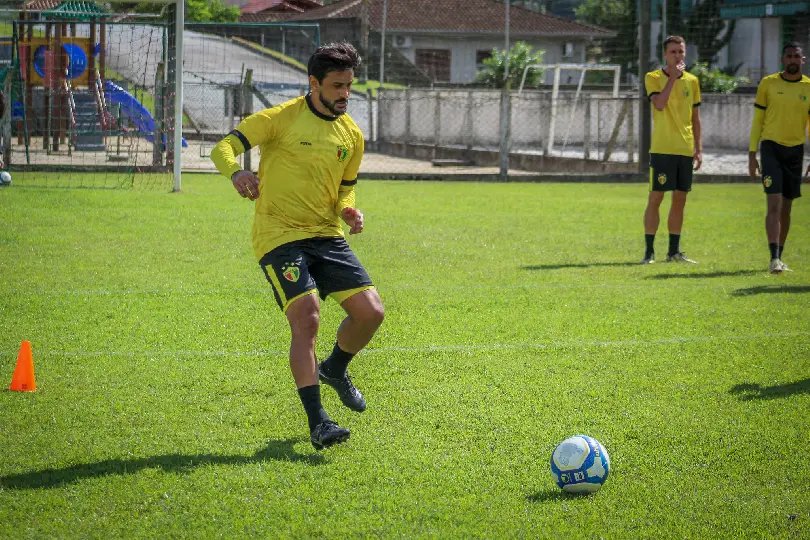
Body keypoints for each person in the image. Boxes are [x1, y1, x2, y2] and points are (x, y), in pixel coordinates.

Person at [210, 42, 384, 451]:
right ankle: (318, 421)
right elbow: (223, 148)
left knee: (371, 313)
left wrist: (348, 211)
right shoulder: (279, 118)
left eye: (349, 87)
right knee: (307, 317)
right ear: (314, 83)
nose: (344, 94)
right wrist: (237, 175)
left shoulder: (351, 134)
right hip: (279, 234)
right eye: (337, 86)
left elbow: (346, 189)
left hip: (325, 235)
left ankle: (336, 369)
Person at [748, 42, 810, 274]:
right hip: (771, 148)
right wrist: (752, 154)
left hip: (795, 151)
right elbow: (758, 121)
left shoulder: (808, 87)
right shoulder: (768, 83)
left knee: (787, 207)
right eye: (789, 56)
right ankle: (773, 258)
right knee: (773, 203)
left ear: (802, 60)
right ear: (783, 59)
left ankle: (780, 256)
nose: (793, 60)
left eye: (797, 56)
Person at [641, 35, 702, 264]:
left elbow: (696, 118)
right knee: (656, 198)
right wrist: (673, 79)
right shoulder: (653, 77)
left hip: (684, 149)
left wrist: (698, 148)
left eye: (681, 51)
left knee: (680, 199)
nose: (678, 55)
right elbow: (659, 103)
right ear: (665, 54)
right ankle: (649, 252)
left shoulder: (693, 81)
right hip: (662, 149)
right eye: (673, 52)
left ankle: (673, 252)